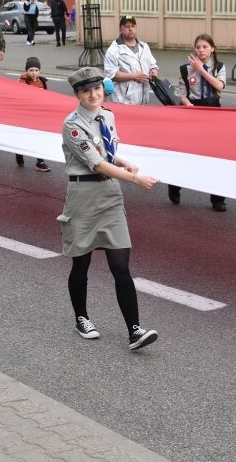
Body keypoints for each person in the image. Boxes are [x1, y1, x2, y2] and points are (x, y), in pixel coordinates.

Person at [59, 66, 160, 351]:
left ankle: (135, 330)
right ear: (78, 95)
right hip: (84, 196)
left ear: (103, 90)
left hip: (110, 195)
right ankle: (82, 318)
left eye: (97, 89)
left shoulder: (108, 115)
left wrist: (122, 161)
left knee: (121, 266)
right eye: (86, 91)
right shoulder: (73, 125)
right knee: (82, 263)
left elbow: (107, 154)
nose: (93, 94)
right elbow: (95, 163)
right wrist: (136, 179)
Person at [167, 33, 228, 212]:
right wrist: (188, 104)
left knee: (216, 156)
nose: (201, 50)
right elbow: (181, 93)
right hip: (192, 110)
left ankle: (218, 198)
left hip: (213, 110)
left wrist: (201, 69)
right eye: (198, 47)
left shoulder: (219, 66)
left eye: (205, 47)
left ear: (212, 49)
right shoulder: (185, 69)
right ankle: (174, 184)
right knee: (187, 153)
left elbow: (219, 86)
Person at [103, 15, 159, 106]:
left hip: (143, 101)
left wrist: (153, 71)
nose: (130, 29)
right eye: (127, 26)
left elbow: (153, 65)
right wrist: (133, 76)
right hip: (123, 101)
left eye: (133, 26)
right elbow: (111, 74)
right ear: (120, 29)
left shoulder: (144, 46)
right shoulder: (113, 50)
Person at [15, 57, 50, 172]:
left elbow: (48, 98)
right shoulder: (22, 82)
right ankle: (19, 152)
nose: (34, 73)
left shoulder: (43, 83)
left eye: (36, 70)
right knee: (24, 138)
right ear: (27, 71)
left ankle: (40, 162)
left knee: (39, 138)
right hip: (25, 116)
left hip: (39, 116)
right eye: (31, 70)